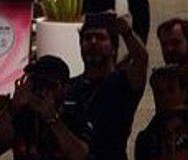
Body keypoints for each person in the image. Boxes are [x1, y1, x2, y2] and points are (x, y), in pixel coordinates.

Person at [62, 12, 148, 160]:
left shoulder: (124, 83)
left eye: (101, 37)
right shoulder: (69, 86)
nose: (93, 42)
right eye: (87, 38)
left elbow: (141, 60)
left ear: (114, 48)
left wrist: (126, 32)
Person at [0, 54, 90, 160]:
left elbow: (80, 155)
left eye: (49, 85)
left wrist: (53, 120)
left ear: (64, 89)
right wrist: (13, 108)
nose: (41, 90)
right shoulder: (22, 115)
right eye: (35, 82)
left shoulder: (74, 115)